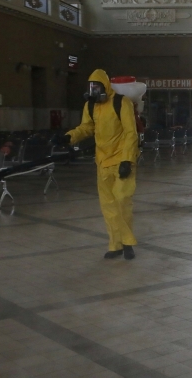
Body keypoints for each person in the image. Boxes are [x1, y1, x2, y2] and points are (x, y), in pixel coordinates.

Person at [60, 70, 141, 260]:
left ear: (105, 86)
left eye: (97, 86)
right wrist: (69, 137)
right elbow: (86, 128)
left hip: (122, 161)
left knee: (122, 201)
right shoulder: (90, 106)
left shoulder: (122, 103)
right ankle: (115, 245)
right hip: (102, 162)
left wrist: (127, 160)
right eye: (91, 87)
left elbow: (131, 133)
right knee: (108, 205)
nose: (94, 90)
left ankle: (128, 243)